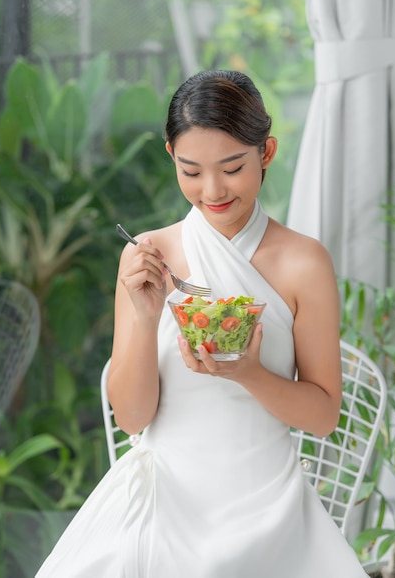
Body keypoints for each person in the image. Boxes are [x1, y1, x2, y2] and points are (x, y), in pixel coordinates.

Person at [36, 69, 368, 577]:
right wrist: (145, 319)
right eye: (191, 171)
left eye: (232, 166)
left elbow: (323, 418)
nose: (212, 189)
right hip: (163, 502)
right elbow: (131, 419)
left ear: (267, 152)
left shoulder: (304, 263)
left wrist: (248, 372)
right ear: (171, 156)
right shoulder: (148, 255)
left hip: (268, 510)